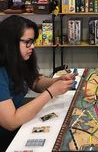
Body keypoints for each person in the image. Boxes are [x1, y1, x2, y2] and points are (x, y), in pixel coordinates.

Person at [0, 15, 76, 151]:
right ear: (9, 43)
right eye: (28, 42)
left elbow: (34, 81)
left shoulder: (17, 60)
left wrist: (56, 81)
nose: (33, 46)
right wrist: (51, 92)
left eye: (33, 41)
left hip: (18, 129)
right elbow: (11, 121)